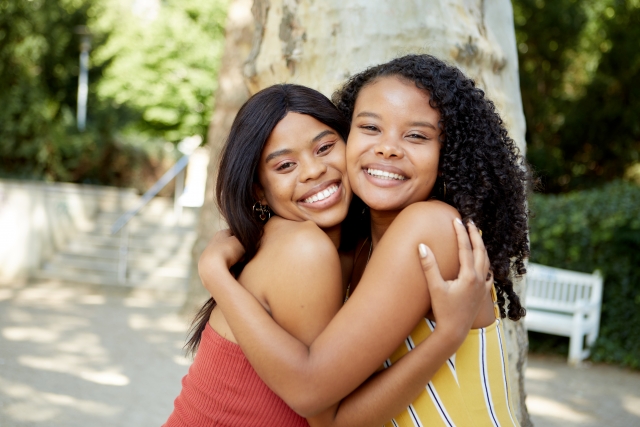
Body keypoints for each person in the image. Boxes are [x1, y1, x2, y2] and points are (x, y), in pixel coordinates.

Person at [199, 54, 530, 426]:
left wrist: (215, 273)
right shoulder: (355, 251)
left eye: (417, 135)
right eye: (371, 128)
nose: (388, 148)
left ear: (447, 153)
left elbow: (317, 400)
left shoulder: (430, 227)